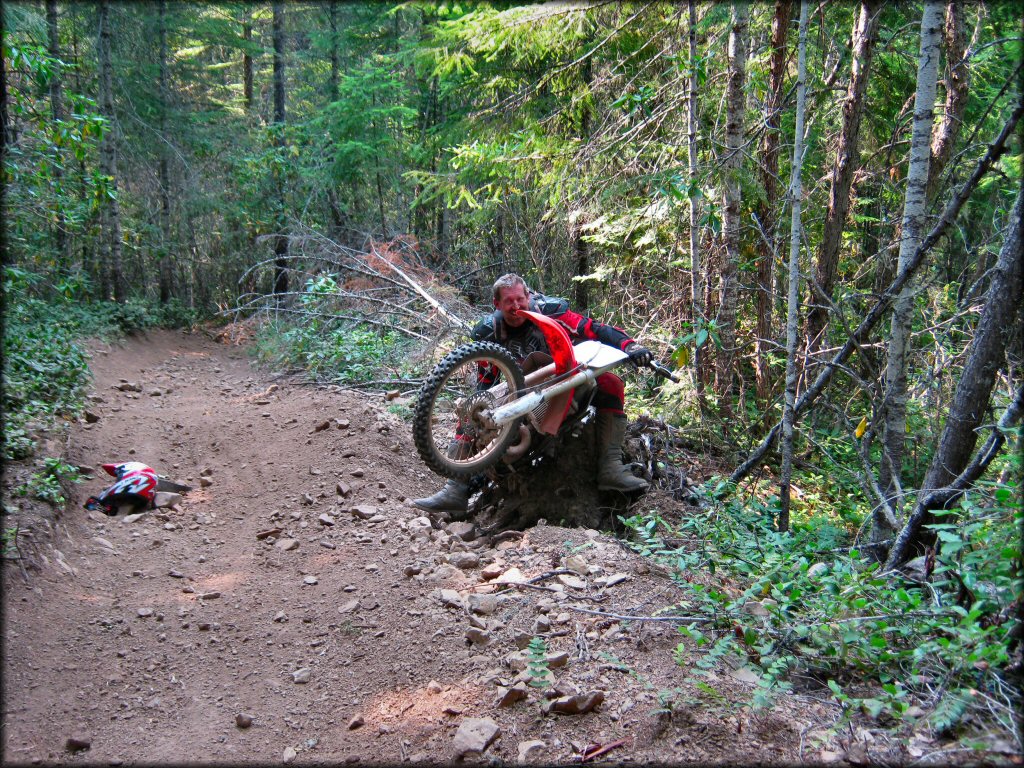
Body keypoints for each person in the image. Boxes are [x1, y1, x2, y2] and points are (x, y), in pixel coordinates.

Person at [414, 273, 654, 513]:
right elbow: (485, 380)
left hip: (564, 375)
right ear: (497, 304)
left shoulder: (553, 312)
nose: (516, 306)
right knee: (472, 408)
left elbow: (593, 329)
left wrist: (630, 346)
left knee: (611, 383)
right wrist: (477, 412)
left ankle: (610, 467)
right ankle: (455, 489)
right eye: (509, 301)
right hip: (522, 387)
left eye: (520, 299)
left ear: (528, 296)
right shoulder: (490, 331)